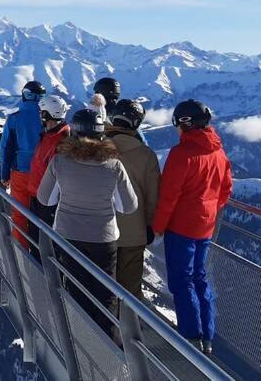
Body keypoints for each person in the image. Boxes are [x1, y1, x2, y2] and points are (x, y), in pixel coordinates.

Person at [37, 108, 138, 336]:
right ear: (102, 136)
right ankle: (109, 348)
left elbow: (45, 199)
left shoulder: (60, 161)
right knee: (106, 294)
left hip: (68, 235)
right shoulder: (114, 166)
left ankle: (80, 341)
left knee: (76, 288)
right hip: (103, 238)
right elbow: (128, 206)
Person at [152, 99, 233, 355]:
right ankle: (207, 336)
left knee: (181, 280)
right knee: (200, 278)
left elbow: (168, 196)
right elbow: (226, 190)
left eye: (177, 124)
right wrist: (208, 210)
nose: (176, 130)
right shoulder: (218, 152)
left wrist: (158, 226)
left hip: (181, 227)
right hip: (205, 226)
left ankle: (190, 336)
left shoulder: (182, 154)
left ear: (186, 123)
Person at [106, 99, 161, 300]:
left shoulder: (96, 148)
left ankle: (104, 328)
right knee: (129, 289)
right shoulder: (146, 155)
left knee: (103, 286)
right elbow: (153, 197)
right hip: (134, 231)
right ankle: (130, 327)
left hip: (101, 229)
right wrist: (149, 226)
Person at [0, 80, 45, 246]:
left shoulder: (14, 119)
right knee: (42, 214)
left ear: (24, 96)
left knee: (19, 215)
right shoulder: (48, 120)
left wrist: (4, 175)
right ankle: (42, 252)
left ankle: (22, 255)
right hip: (44, 174)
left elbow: (5, 148)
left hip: (21, 172)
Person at [24, 94, 71, 255]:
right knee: (36, 240)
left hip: (48, 202)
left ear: (46, 114)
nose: (39, 116)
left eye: (41, 112)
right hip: (39, 197)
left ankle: (44, 277)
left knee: (44, 246)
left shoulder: (60, 139)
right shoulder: (50, 135)